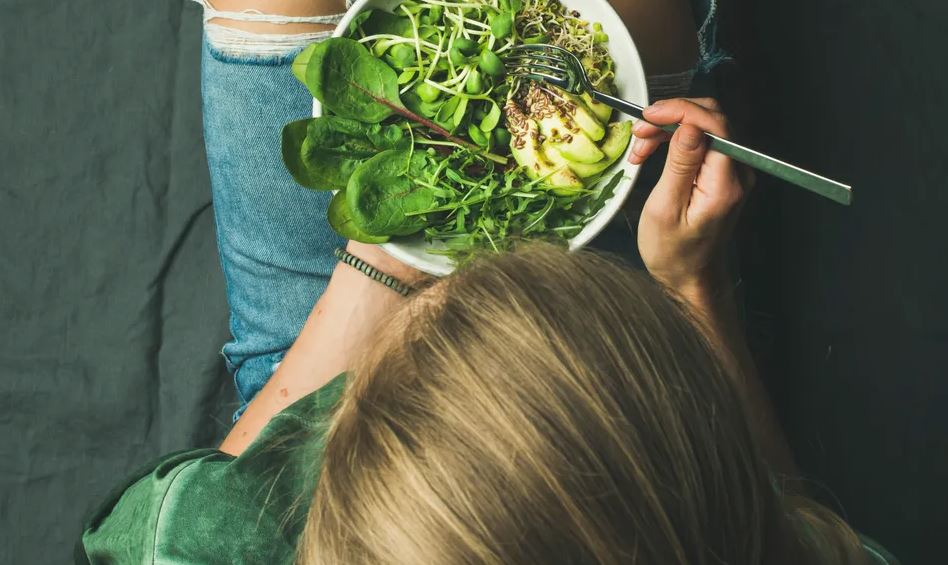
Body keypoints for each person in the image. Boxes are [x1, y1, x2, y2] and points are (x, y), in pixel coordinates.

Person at [76, 1, 897, 564]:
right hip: (623, 354)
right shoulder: (695, 506)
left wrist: (399, 250)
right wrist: (689, 292)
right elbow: (796, 526)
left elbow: (182, 515)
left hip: (314, 386)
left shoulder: (207, 537)